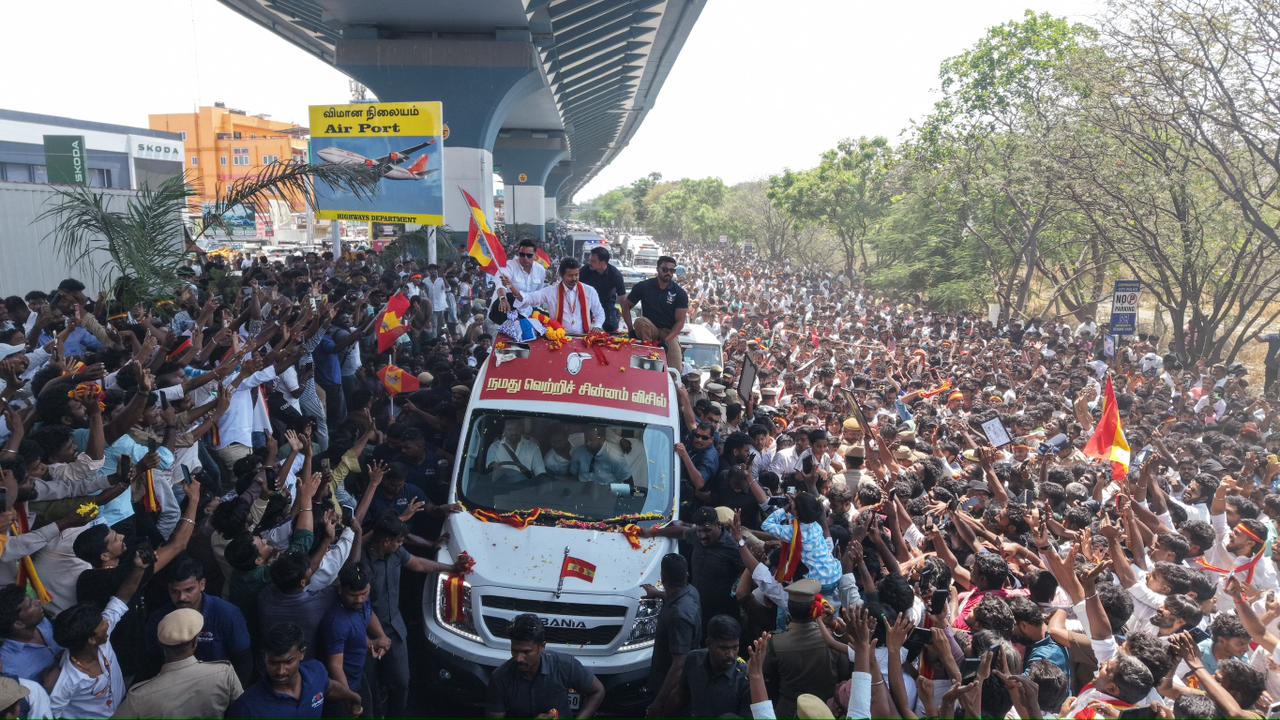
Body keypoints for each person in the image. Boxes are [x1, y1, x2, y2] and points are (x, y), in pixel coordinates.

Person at [48, 552, 148, 718]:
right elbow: (50, 714)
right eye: (102, 624)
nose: (107, 624)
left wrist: (139, 569)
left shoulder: (101, 639)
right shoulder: (65, 681)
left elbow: (122, 597)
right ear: (91, 639)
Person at [115, 608, 243, 718]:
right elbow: (244, 709)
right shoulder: (224, 674)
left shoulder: (139, 697)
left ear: (161, 646)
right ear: (195, 643)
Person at [143, 555, 252, 683]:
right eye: (175, 591)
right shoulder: (159, 619)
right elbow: (152, 661)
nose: (182, 597)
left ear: (202, 584)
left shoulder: (227, 614)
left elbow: (243, 661)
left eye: (189, 590)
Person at [226, 621, 362, 718]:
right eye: (273, 663)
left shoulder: (316, 672)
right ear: (264, 658)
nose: (281, 671)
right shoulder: (247, 708)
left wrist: (353, 697)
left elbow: (329, 687)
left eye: (288, 662)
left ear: (302, 653)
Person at [485, 613, 604, 718]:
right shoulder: (500, 678)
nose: (519, 658)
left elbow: (597, 691)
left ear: (542, 647)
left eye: (526, 652)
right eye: (515, 651)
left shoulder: (564, 665)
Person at [762, 579, 848, 718]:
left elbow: (768, 680)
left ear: (789, 609)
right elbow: (844, 673)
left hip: (789, 711)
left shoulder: (775, 643)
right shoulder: (833, 642)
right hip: (826, 711)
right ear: (815, 610)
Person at [321, 565, 391, 709]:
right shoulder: (336, 623)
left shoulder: (362, 602)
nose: (359, 599)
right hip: (345, 685)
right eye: (353, 595)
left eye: (364, 593)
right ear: (340, 589)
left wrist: (381, 637)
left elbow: (368, 613)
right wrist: (348, 696)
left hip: (360, 676)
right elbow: (335, 665)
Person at [645, 553, 701, 716]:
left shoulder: (678, 616)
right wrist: (657, 593)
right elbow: (674, 593)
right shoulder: (692, 591)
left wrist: (657, 704)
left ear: (663, 578)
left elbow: (679, 664)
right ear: (686, 575)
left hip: (672, 689)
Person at [665, 614, 750, 717]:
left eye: (735, 648)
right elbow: (680, 694)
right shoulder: (693, 660)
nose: (731, 655)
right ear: (709, 643)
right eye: (724, 648)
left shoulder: (745, 677)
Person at [621, 256, 688, 372]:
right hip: (650, 328)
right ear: (658, 269)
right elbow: (626, 306)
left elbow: (680, 321)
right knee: (640, 321)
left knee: (675, 371)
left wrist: (667, 340)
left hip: (669, 333)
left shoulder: (679, 293)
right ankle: (647, 351)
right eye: (665, 269)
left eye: (672, 270)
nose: (668, 273)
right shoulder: (644, 286)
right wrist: (630, 330)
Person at [508, 258, 605, 336]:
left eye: (576, 275)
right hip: (558, 337)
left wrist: (597, 325)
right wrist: (511, 287)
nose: (574, 278)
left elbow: (599, 313)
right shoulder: (551, 291)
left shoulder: (589, 291)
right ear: (562, 275)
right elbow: (529, 298)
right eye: (570, 276)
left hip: (583, 337)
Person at [579, 246, 627, 333]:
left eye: (593, 261)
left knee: (610, 327)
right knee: (582, 326)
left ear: (603, 262)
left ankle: (615, 314)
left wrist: (625, 315)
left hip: (606, 301)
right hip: (587, 301)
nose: (590, 263)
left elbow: (622, 297)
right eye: (590, 260)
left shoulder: (615, 274)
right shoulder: (585, 270)